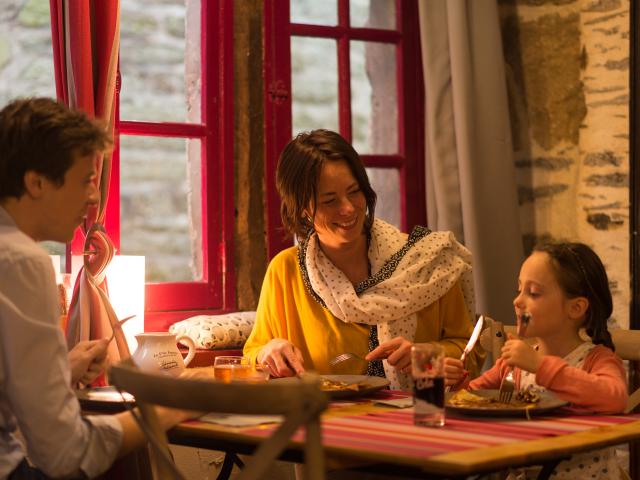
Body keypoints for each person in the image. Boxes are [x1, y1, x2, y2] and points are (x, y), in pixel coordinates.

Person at [0, 97, 191, 479]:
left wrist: (62, 368)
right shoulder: (21, 261)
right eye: (86, 179)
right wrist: (179, 404)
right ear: (36, 182)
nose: (93, 198)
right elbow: (67, 453)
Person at [243, 129, 483, 389]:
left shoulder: (425, 261)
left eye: (354, 192)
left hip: (421, 419)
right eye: (330, 200)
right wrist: (269, 351)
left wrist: (424, 357)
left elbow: (468, 356)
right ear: (303, 209)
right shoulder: (286, 271)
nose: (347, 208)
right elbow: (253, 355)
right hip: (326, 422)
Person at [445, 242, 627, 479]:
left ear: (576, 308)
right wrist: (456, 382)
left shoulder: (596, 360)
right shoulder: (513, 365)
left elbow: (614, 397)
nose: (517, 301)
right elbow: (471, 400)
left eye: (533, 293)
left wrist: (540, 366)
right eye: (519, 289)